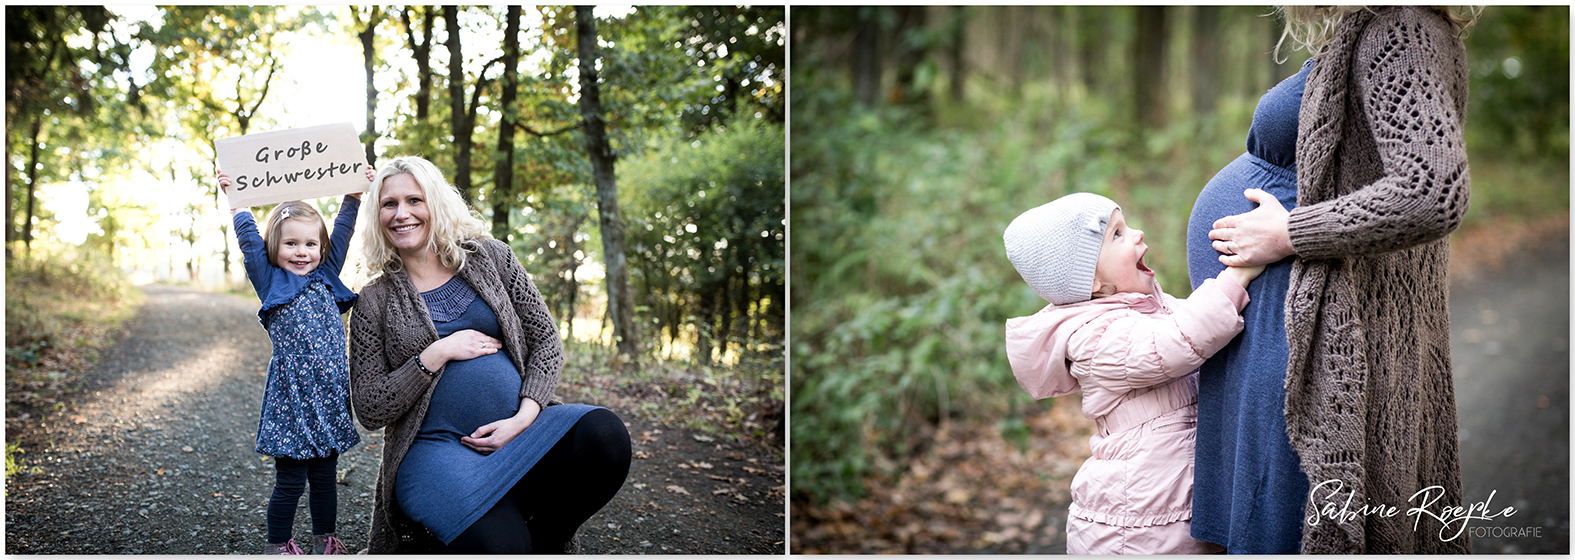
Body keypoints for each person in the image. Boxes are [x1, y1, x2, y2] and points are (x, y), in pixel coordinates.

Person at [1202, 6, 1477, 553]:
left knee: (1284, 527)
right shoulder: (1387, 26)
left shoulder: (1401, 27)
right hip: (1282, 321)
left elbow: (1432, 189)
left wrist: (1289, 234)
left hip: (1309, 329)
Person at [347, 155, 632, 554]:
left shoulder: (489, 257)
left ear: (437, 203)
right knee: (502, 547)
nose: (401, 214)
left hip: (524, 434)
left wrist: (523, 418)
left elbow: (546, 340)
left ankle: (546, 541)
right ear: (376, 216)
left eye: (415, 200)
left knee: (605, 436)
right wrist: (435, 353)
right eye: (388, 204)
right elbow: (369, 407)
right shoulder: (374, 300)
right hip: (436, 453)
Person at [1002, 192, 1263, 555]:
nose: (1138, 234)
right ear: (1091, 281)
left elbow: (1195, 326)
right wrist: (1240, 273)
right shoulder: (1092, 339)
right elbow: (1177, 342)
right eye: (1118, 235)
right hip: (1135, 526)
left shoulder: (1152, 308)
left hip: (1169, 505)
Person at [217, 165, 375, 555]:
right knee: (289, 481)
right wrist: (236, 200)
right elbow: (249, 240)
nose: (302, 252)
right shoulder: (270, 280)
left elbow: (342, 232)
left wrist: (354, 196)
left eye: (309, 244)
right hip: (292, 401)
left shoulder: (326, 275)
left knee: (325, 478)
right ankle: (276, 546)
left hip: (329, 398)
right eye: (291, 244)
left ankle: (325, 541)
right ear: (274, 246)